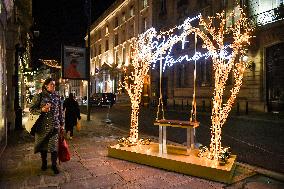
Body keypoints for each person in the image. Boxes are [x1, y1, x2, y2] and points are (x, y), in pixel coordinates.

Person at [29, 78, 64, 174]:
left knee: (54, 147)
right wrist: (42, 110)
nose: (54, 86)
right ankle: (44, 162)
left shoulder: (57, 97)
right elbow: (31, 109)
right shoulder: (39, 96)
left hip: (54, 126)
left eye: (54, 84)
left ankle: (54, 165)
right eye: (52, 84)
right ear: (46, 86)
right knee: (43, 146)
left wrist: (62, 124)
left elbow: (60, 112)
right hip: (42, 127)